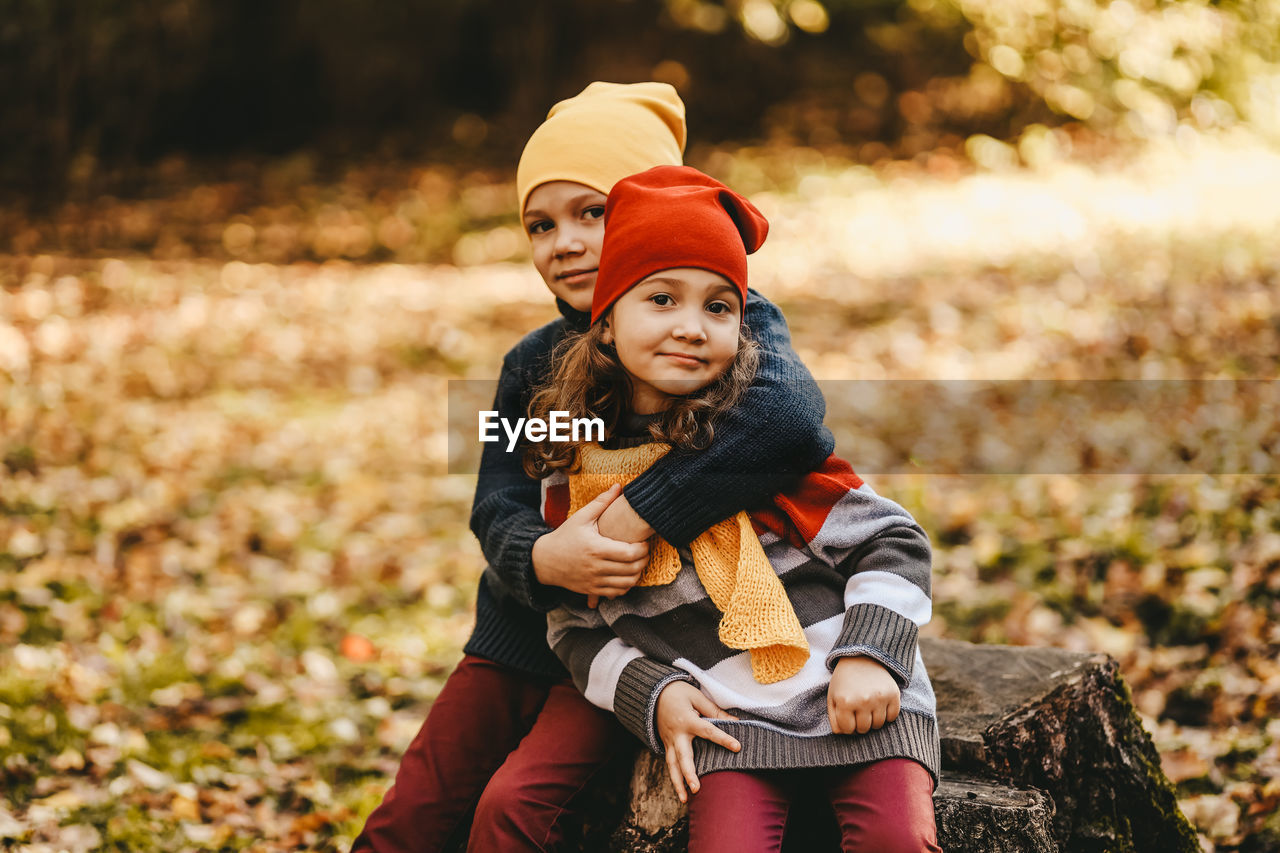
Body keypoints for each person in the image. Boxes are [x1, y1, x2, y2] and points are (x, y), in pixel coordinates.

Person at [352, 84, 833, 852]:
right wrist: (542, 554)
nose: (563, 242)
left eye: (592, 212)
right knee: (415, 807)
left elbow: (788, 423)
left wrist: (634, 515)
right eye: (540, 223)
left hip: (655, 635)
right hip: (522, 628)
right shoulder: (532, 364)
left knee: (514, 807)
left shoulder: (722, 324)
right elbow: (496, 499)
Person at [528, 166, 941, 853]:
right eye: (662, 298)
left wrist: (872, 655)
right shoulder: (579, 474)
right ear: (604, 324)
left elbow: (892, 542)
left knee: (896, 841)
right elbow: (574, 624)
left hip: (856, 697)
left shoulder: (752, 448)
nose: (692, 327)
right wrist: (652, 695)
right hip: (728, 723)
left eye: (719, 307)